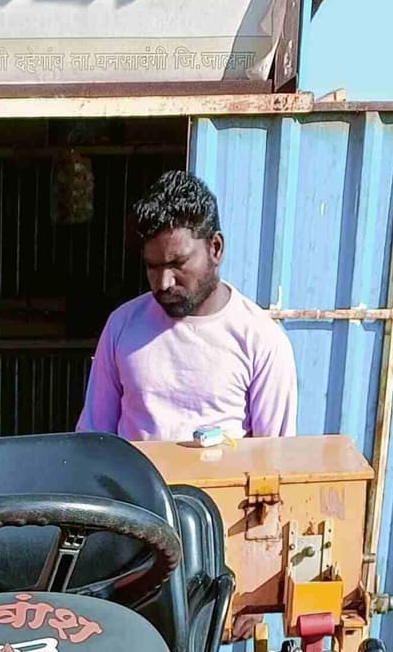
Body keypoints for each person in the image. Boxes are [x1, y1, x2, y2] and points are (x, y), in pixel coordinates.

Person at [78, 168, 298, 446]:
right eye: (152, 266)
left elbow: (274, 460)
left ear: (215, 248)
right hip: (134, 490)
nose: (164, 282)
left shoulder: (261, 341)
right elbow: (93, 440)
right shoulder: (122, 326)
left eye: (178, 263)